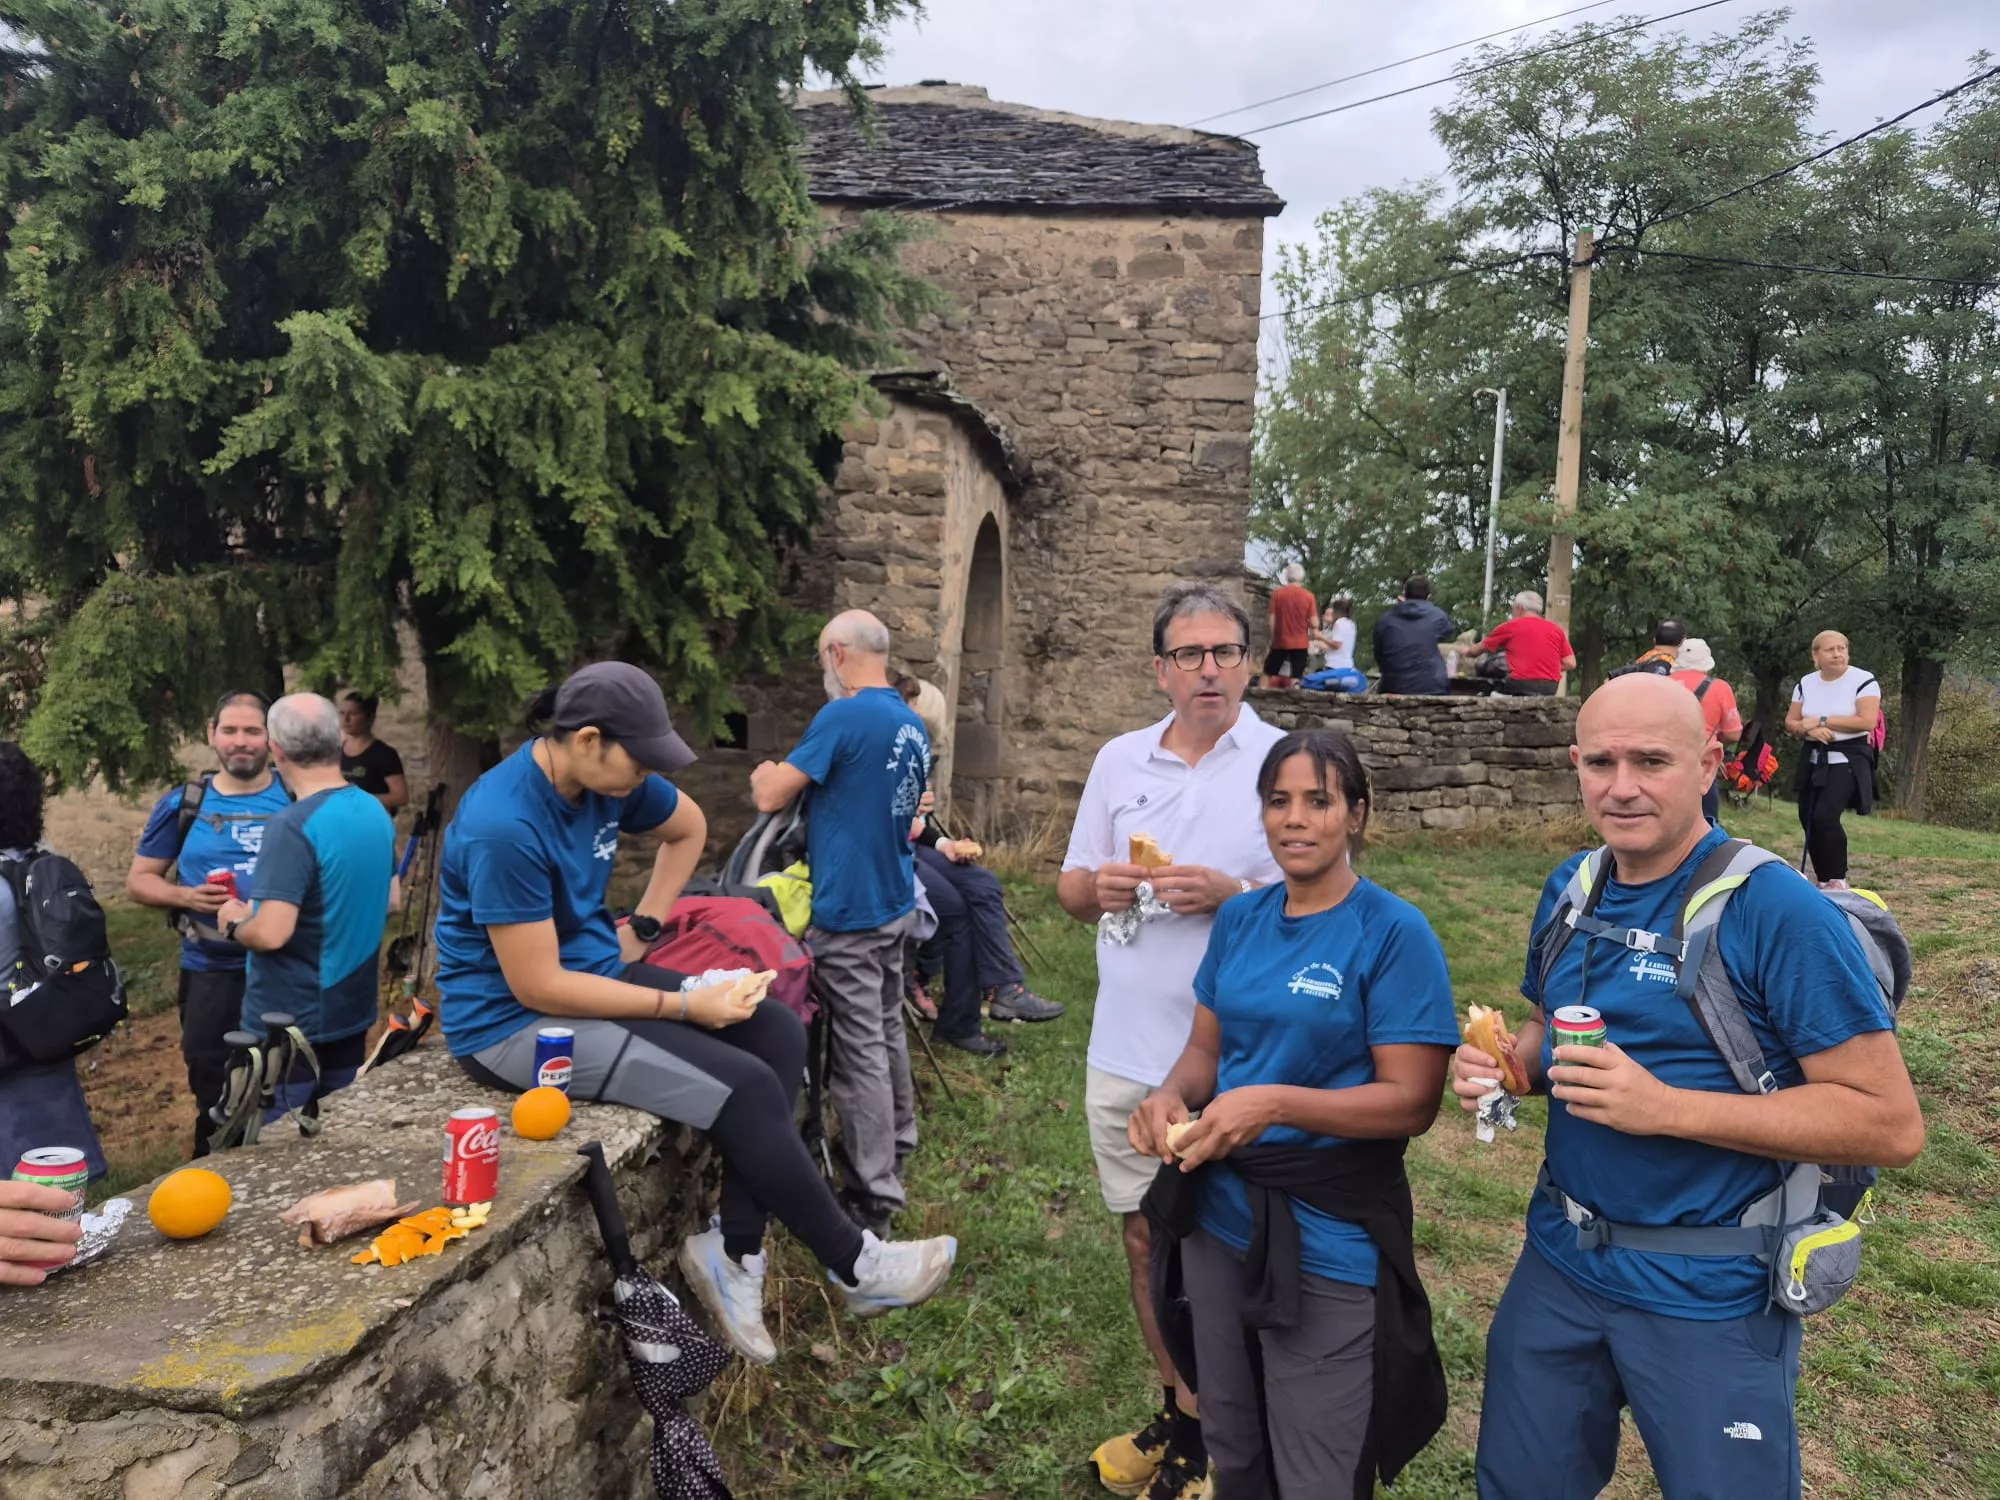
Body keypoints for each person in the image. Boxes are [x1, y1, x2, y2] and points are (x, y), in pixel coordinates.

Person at [1453, 673, 1924, 1500]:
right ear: (1575, 764)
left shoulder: (1777, 911)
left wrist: (1663, 1108)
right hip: (1562, 1259)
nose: (1621, 786)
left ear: (1708, 765)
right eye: (1601, 762)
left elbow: (1889, 1124)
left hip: (1710, 1286)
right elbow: (1547, 1027)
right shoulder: (1574, 887)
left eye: (1651, 761)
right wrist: (1510, 1066)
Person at [437, 661, 956, 1365]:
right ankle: (855, 1264)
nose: (646, 778)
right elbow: (538, 987)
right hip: (513, 1028)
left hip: (594, 975)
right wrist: (684, 1002)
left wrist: (648, 924)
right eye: (640, 762)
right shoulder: (505, 825)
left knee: (776, 1027)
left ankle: (733, 1254)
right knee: (743, 1086)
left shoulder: (604, 778)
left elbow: (688, 827)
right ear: (587, 740)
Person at [1128, 729, 1454, 1497]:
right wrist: (1170, 1095)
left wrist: (1274, 1104)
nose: (1296, 819)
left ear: (1356, 814)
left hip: (1326, 1232)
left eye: (1319, 801)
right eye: (1279, 801)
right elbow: (1205, 1050)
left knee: (1317, 1470)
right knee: (1234, 1444)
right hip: (1218, 1220)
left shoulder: (1392, 931)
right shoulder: (1241, 919)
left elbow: (1412, 1100)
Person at [1059, 582, 1285, 1500]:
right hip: (1125, 1049)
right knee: (1146, 1239)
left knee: (1227, 1253)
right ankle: (1184, 1411)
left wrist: (1232, 896)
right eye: (1189, 654)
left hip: (1238, 1057)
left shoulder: (1281, 762)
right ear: (1161, 669)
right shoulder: (1120, 760)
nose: (1208, 670)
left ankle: (1233, 1431)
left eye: (1225, 651)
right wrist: (1099, 889)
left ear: (1250, 663)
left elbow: (1326, 904)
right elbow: (1071, 888)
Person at [751, 611, 932, 1236]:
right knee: (884, 1030)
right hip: (892, 898)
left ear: (836, 653)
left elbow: (772, 795)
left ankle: (873, 1196)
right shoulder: (910, 723)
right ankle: (898, 1141)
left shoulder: (843, 716)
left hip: (850, 908)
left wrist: (764, 772)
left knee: (859, 1055)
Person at [126, 690, 293, 1156]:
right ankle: (216, 1171)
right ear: (211, 734)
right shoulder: (185, 804)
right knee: (214, 1087)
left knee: (288, 1085)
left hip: (285, 967)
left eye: (253, 731)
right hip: (209, 971)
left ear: (271, 738)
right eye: (230, 730)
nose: (241, 741)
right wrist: (186, 896)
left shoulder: (296, 797)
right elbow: (139, 880)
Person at [213, 695, 397, 1116]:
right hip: (352, 1008)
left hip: (289, 1019)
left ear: (275, 749)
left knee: (281, 1137)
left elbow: (271, 933)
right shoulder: (373, 809)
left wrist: (234, 922)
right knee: (336, 1126)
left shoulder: (292, 826)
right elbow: (391, 900)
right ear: (339, 740)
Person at [894, 679, 1064, 1058]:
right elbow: (877, 816)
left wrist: (946, 845)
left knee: (983, 883)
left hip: (913, 844)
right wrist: (904, 805)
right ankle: (960, 1023)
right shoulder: (880, 742)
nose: (913, 715)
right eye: (909, 705)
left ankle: (1006, 988)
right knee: (957, 907)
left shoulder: (913, 749)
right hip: (885, 852)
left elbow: (914, 826)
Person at [0, 742, 108, 1182]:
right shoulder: (35, 864)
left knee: (21, 1198)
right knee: (59, 1187)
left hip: (6, 1060)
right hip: (39, 1037)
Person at [1784, 631, 1881, 891]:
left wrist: (1822, 721)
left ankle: (1837, 878)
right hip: (1814, 756)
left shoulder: (1863, 680)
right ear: (1815, 655)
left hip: (1848, 758)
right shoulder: (1806, 683)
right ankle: (1823, 878)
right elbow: (1791, 722)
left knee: (1825, 816)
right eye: (1830, 650)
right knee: (1807, 816)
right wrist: (1809, 730)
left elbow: (1866, 721)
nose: (1837, 654)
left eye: (1842, 648)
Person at [1670, 638, 1743, 825]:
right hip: (1702, 761)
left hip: (1664, 760)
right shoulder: (1719, 688)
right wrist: (1714, 735)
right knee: (1705, 822)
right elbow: (1734, 733)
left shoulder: (1661, 684)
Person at [1462, 590, 1576, 696]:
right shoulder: (1556, 630)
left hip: (1520, 684)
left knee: (1488, 670)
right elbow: (1570, 663)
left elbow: (1476, 651)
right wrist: (1545, 668)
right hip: (1550, 687)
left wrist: (1465, 652)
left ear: (1519, 608)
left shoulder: (1511, 626)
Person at [1371, 575, 1456, 695]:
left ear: (1405, 594)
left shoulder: (1386, 620)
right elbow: (1447, 631)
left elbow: (1378, 651)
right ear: (1429, 595)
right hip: (1432, 686)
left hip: (1394, 686)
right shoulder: (1438, 616)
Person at [338, 694, 409, 816]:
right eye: (342, 713)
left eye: (353, 714)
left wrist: (361, 800)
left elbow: (401, 797)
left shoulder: (384, 754)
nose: (345, 719)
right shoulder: (335, 751)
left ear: (370, 717)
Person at [1262, 563, 1317, 688]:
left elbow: (1271, 621)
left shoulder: (1277, 594)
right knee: (1296, 676)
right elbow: (1314, 623)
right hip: (1300, 643)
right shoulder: (1309, 596)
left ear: (1287, 576)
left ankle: (1258, 695)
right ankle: (1294, 698)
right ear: (1302, 577)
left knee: (1268, 672)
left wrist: (1273, 639)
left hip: (1280, 641)